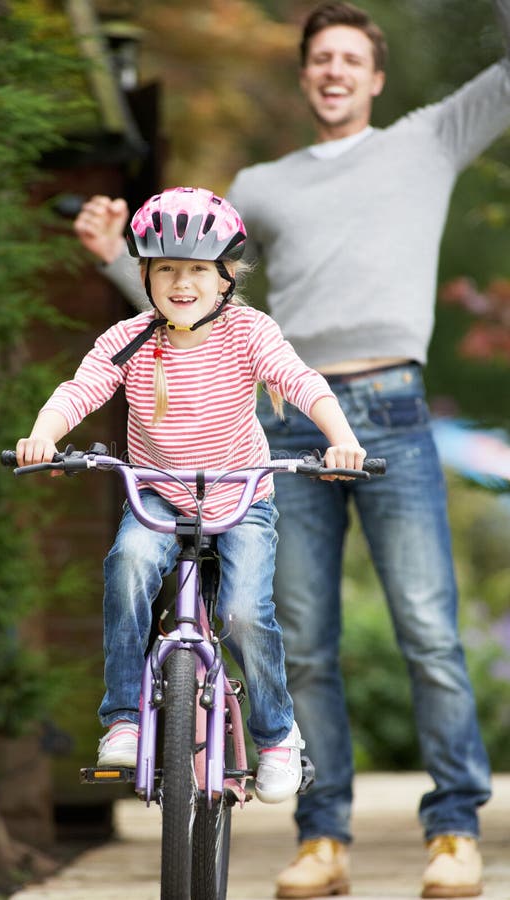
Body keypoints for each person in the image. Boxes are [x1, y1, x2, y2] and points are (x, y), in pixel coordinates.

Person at [72, 3, 510, 895]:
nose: (336, 70)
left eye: (353, 57)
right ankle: (323, 838)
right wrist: (119, 257)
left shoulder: (426, 140)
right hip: (279, 422)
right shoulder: (263, 185)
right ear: (305, 73)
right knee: (294, 634)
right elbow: (201, 298)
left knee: (428, 630)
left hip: (388, 410)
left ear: (377, 77)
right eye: (320, 58)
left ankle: (454, 830)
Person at [17, 186, 367, 807]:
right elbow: (80, 389)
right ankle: (124, 717)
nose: (183, 283)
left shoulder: (248, 333)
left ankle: (278, 736)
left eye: (199, 270)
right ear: (145, 274)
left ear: (226, 276)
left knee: (241, 612)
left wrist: (342, 440)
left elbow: (301, 381)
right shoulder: (128, 339)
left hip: (240, 497)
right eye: (166, 269)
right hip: (157, 497)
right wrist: (44, 436)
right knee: (127, 569)